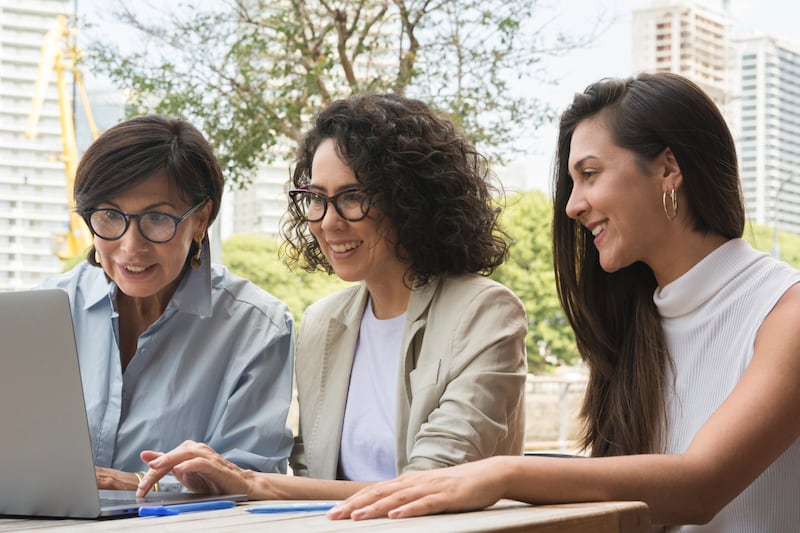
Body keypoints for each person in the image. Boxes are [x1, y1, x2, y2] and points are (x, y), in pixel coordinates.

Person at [325, 73, 800, 532]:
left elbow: (701, 486)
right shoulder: (635, 324)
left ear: (669, 168)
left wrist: (505, 472)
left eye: (590, 175)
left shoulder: (784, 312)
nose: (573, 206)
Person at [135, 93, 528, 500]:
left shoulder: (485, 313)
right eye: (317, 199)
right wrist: (218, 478)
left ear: (411, 198)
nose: (328, 221)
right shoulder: (323, 321)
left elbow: (431, 485)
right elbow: (311, 471)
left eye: (353, 197)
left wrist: (251, 482)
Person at [38, 115, 295, 491]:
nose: (130, 247)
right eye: (109, 216)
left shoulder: (257, 327)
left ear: (201, 219)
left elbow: (253, 480)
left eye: (157, 219)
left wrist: (137, 484)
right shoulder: (47, 309)